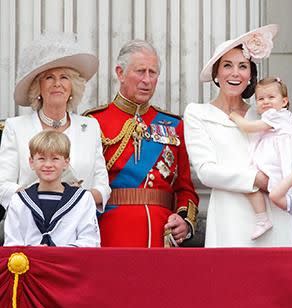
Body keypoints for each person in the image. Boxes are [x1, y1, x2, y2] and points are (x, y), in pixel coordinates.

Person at [184, 24, 292, 247]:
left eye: (243, 66)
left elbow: (289, 150)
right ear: (216, 73)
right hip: (229, 215)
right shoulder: (198, 113)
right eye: (227, 66)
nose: (235, 73)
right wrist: (257, 180)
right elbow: (206, 171)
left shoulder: (264, 113)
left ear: (250, 75)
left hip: (275, 213)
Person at [85, 40, 198, 247]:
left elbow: (185, 189)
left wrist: (184, 220)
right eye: (140, 71)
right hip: (111, 231)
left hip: (162, 234)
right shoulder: (93, 122)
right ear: (120, 73)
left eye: (152, 73)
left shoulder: (174, 125)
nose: (147, 80)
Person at [0, 34, 110, 217]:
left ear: (73, 86)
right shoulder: (16, 127)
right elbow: (3, 185)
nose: (57, 84)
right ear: (38, 87)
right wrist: (38, 200)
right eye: (49, 77)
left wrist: (75, 202)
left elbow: (103, 187)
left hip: (78, 227)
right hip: (29, 224)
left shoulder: (90, 127)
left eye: (64, 77)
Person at [229, 76, 292, 240]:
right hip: (274, 158)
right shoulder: (279, 117)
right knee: (250, 181)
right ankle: (262, 218)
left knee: (250, 180)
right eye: (260, 99)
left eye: (271, 97)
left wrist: (235, 117)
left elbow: (249, 127)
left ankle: (262, 218)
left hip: (278, 162)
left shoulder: (276, 115)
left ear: (284, 101)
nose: (266, 102)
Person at [4, 130, 100, 247]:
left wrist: (55, 254)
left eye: (55, 158)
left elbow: (90, 242)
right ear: (31, 162)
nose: (48, 164)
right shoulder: (19, 200)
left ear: (66, 162)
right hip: (30, 263)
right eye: (41, 158)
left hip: (69, 263)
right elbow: (12, 243)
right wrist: (36, 253)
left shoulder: (83, 199)